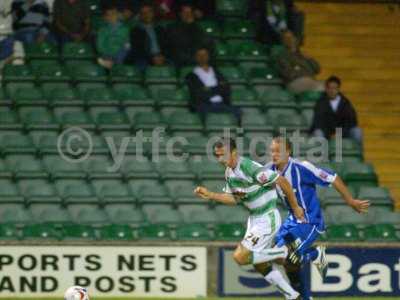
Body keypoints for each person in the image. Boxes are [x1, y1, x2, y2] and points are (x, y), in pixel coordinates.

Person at [259, 136, 370, 299]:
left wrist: (350, 200)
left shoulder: (302, 167)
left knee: (289, 257)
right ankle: (310, 276)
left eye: (278, 151)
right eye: (272, 151)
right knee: (280, 259)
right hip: (292, 221)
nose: (274, 154)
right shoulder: (269, 171)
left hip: (310, 221)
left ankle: (315, 256)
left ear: (288, 152)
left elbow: (332, 178)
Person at [194, 138, 305, 300]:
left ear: (233, 152)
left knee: (240, 256)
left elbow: (282, 181)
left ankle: (285, 252)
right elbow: (235, 199)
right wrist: (211, 195)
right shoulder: (229, 173)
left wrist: (295, 207)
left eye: (223, 155)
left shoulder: (248, 167)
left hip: (267, 217)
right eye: (217, 156)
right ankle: (292, 295)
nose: (220, 159)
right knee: (259, 263)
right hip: (254, 219)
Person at [186, 47, 241, 124]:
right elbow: (200, 94)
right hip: (204, 106)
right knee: (203, 115)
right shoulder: (191, 76)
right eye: (199, 55)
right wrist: (218, 88)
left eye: (204, 55)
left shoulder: (217, 72)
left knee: (238, 111)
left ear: (208, 56)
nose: (202, 57)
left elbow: (226, 88)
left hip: (221, 104)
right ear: (196, 57)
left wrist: (209, 89)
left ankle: (238, 135)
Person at [311, 76, 363, 145]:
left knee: (357, 131)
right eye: (330, 88)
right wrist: (330, 135)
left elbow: (351, 122)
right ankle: (322, 155)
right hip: (326, 133)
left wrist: (339, 134)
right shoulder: (320, 103)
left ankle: (357, 155)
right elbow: (318, 122)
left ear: (338, 89)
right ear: (326, 89)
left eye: (335, 88)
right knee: (318, 133)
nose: (332, 91)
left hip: (343, 133)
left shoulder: (345, 103)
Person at [276, 30, 323, 94]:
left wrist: (310, 59)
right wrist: (304, 71)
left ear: (296, 39)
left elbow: (317, 69)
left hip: (310, 81)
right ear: (283, 42)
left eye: (292, 37)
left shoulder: (303, 54)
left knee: (329, 88)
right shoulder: (282, 56)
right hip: (294, 82)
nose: (290, 40)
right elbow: (289, 74)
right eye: (287, 38)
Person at [130, 3, 167, 69]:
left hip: (162, 56)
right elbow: (137, 50)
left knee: (172, 66)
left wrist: (163, 56)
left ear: (153, 13)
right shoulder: (136, 31)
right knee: (140, 65)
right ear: (140, 16)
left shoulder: (160, 29)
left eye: (149, 12)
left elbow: (167, 45)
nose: (146, 15)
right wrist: (152, 58)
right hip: (145, 58)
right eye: (143, 13)